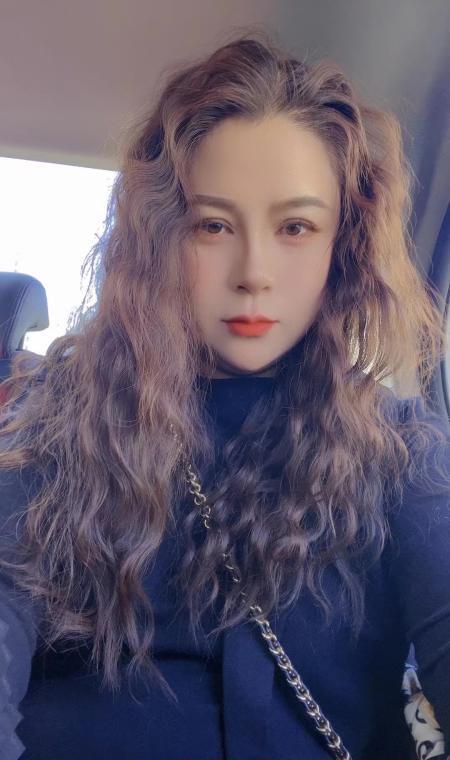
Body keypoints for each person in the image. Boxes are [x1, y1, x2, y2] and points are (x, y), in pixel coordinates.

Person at [0, 28, 449, 760]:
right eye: (213, 225)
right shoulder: (57, 416)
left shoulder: (403, 451)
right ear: (161, 237)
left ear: (343, 245)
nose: (254, 272)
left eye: (296, 226)